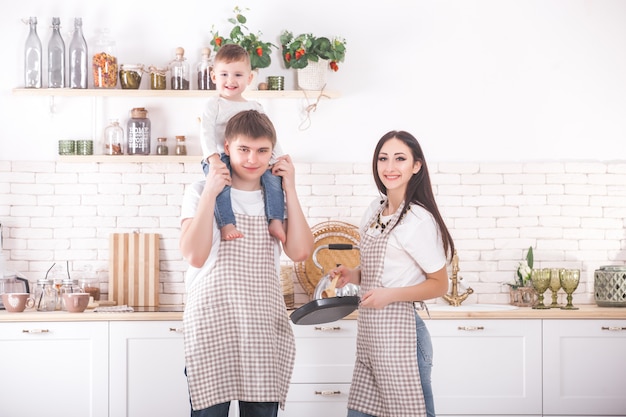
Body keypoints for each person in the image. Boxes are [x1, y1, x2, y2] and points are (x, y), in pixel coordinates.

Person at [180, 110, 314, 417]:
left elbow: (300, 252)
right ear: (226, 148)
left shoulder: (276, 199)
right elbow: (194, 256)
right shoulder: (199, 191)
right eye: (244, 149)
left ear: (272, 152)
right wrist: (211, 193)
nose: (253, 159)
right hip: (211, 325)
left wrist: (290, 187)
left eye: (262, 151)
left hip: (262, 326)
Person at [332, 130, 455, 417]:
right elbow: (381, 272)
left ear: (416, 166)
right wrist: (352, 274)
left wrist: (390, 296)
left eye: (400, 159)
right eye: (383, 158)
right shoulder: (375, 210)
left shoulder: (418, 219)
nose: (390, 167)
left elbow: (440, 284)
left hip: (403, 340)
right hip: (371, 339)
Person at [200, 43, 286, 243]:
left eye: (238, 75)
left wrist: (278, 158)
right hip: (220, 156)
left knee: (273, 181)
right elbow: (205, 131)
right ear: (214, 76)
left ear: (249, 78)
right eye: (224, 75)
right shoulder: (214, 104)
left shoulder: (255, 106)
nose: (230, 80)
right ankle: (226, 223)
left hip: (249, 156)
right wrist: (213, 158)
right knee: (221, 184)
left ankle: (275, 220)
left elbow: (270, 135)